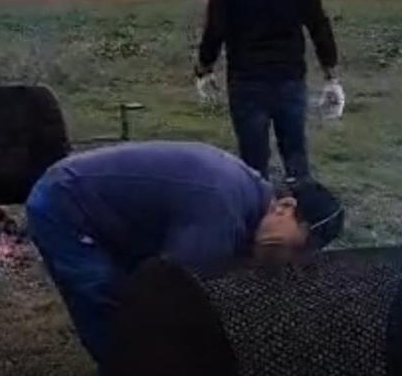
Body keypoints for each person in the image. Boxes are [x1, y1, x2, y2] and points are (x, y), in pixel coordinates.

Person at [26, 141, 343, 370]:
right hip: (64, 203)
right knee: (113, 311)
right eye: (296, 247)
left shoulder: (251, 204)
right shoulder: (221, 211)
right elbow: (171, 293)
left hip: (118, 218)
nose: (287, 259)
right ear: (285, 207)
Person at [194, 0, 345, 181]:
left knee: (253, 161)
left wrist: (204, 67)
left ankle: (259, 215)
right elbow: (317, 22)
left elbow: (217, 25)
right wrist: (331, 74)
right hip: (290, 76)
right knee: (296, 152)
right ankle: (304, 213)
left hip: (247, 79)